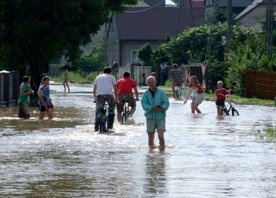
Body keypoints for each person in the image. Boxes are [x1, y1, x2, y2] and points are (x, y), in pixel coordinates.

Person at [141, 76, 170, 150]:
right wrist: (152, 107)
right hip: (150, 117)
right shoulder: (145, 94)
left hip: (161, 117)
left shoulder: (162, 92)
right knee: (151, 137)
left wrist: (161, 108)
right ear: (147, 83)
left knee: (161, 136)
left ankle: (162, 153)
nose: (151, 84)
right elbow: (144, 105)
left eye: (152, 82)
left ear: (155, 82)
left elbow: (166, 103)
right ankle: (151, 155)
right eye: (149, 82)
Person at [93, 67, 117, 131]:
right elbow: (115, 89)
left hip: (99, 96)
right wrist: (116, 99)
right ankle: (110, 125)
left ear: (103, 71)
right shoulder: (112, 77)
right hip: (109, 96)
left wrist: (95, 98)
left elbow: (94, 89)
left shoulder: (98, 77)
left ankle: (96, 127)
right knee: (111, 109)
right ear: (110, 72)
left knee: (98, 110)